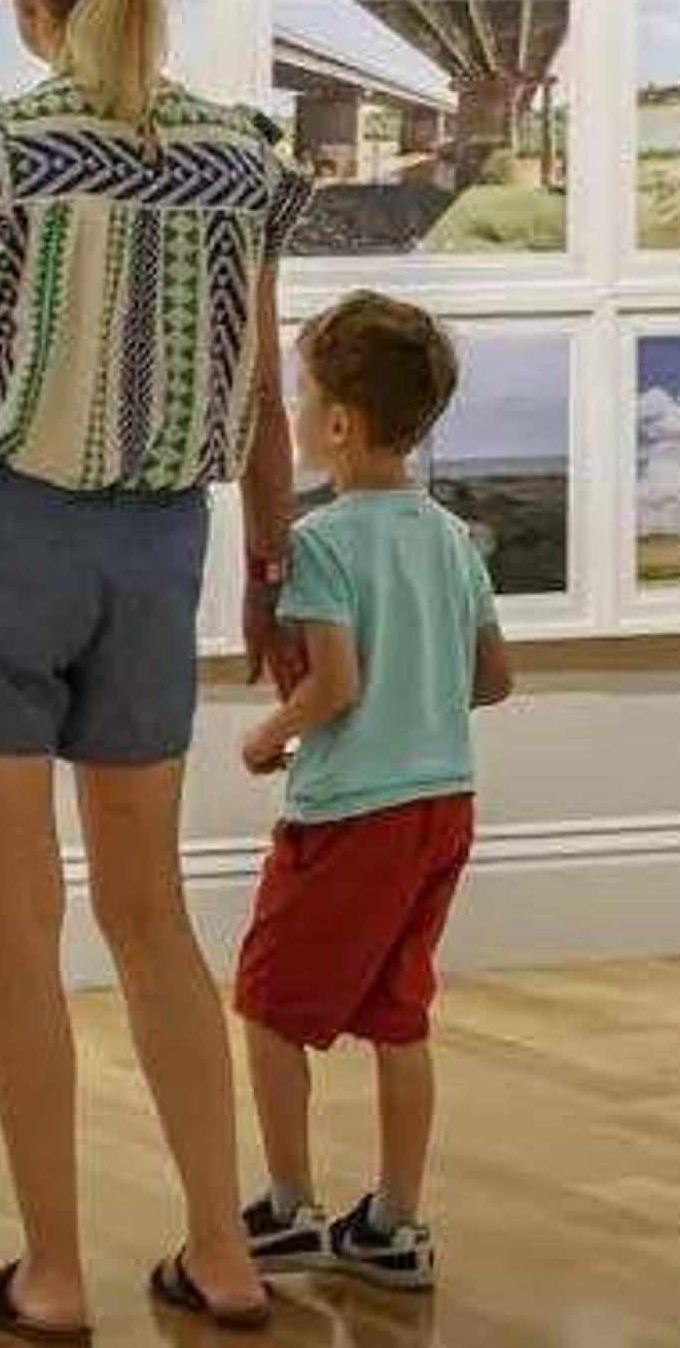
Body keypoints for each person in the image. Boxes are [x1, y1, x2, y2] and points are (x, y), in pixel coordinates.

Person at [0, 0, 312, 1341]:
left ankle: (51, 1272)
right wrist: (272, 569)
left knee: (18, 925)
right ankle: (224, 1253)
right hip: (156, 556)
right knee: (151, 912)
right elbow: (261, 407)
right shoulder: (243, 159)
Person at [231, 292, 515, 1294]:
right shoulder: (450, 535)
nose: (299, 413)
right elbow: (494, 678)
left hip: (352, 813)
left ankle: (287, 1206)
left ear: (340, 423)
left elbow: (335, 684)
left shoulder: (322, 542)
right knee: (399, 1014)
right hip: (445, 804)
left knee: (269, 1005)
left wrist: (268, 734)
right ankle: (394, 1221)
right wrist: (421, 698)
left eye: (304, 395)